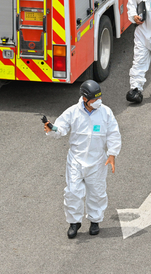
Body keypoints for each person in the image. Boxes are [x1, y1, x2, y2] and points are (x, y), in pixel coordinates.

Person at [44, 80, 121, 239]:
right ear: (85, 99)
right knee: (73, 192)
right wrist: (51, 129)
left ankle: (95, 221)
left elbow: (113, 133)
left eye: (99, 98)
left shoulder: (106, 112)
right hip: (76, 161)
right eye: (94, 99)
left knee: (97, 192)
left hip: (98, 161)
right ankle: (74, 222)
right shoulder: (72, 112)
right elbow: (60, 129)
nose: (98, 102)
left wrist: (112, 154)